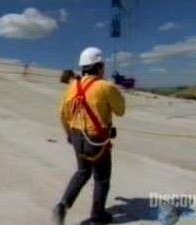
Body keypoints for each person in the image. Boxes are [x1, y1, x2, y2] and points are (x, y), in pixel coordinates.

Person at [53, 47, 126, 225]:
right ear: (100, 67)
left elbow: (62, 114)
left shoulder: (72, 87)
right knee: (101, 178)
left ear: (83, 67)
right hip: (97, 140)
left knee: (82, 171)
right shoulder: (105, 86)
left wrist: (69, 135)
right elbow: (121, 111)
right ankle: (97, 216)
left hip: (77, 137)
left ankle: (63, 204)